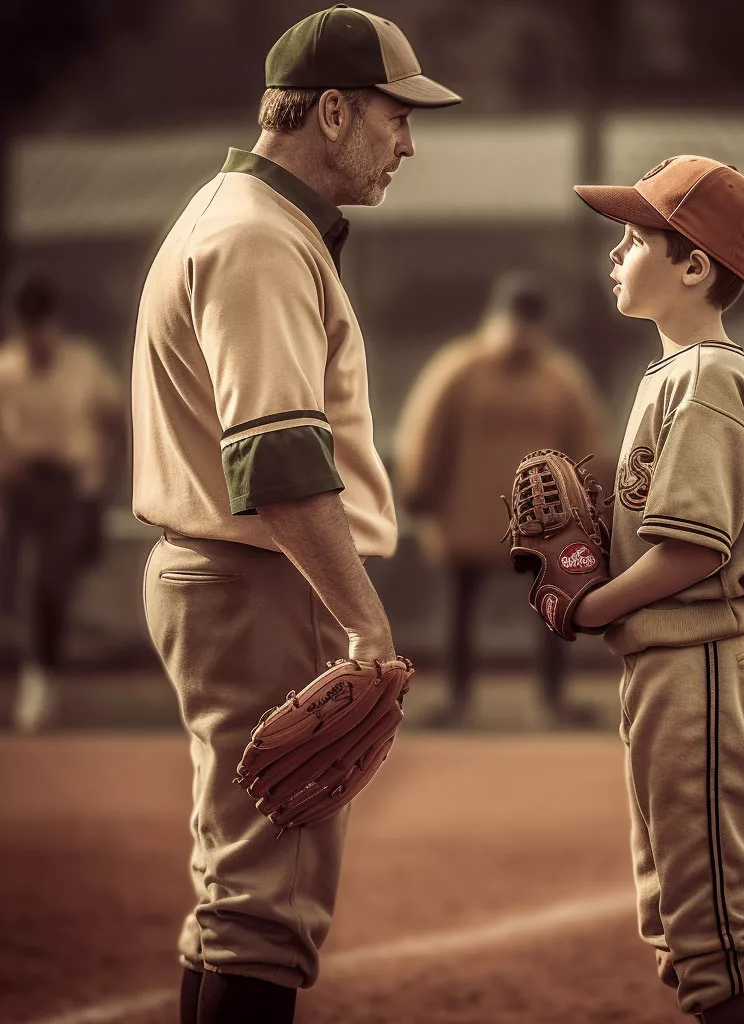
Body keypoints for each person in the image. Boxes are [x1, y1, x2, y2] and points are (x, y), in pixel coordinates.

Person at [130, 8, 459, 1022]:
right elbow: (277, 461)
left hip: (240, 578)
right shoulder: (258, 239)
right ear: (329, 111)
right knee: (266, 909)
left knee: (238, 895)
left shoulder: (239, 219)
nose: (408, 141)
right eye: (394, 114)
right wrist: (365, 625)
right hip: (262, 582)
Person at [571, 156, 744, 1023]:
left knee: (716, 934)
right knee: (679, 921)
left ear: (693, 267)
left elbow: (695, 551)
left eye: (634, 238)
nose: (615, 254)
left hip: (702, 660)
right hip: (668, 669)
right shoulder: (673, 374)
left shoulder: (709, 377)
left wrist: (594, 604)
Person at [394, 271, 612, 727]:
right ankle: (456, 698)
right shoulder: (460, 370)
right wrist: (419, 488)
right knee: (460, 609)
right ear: (496, 319)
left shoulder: (559, 378)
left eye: (530, 322)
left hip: (541, 524)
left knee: (554, 609)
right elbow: (426, 434)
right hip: (469, 518)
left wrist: (593, 507)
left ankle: (553, 698)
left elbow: (587, 440)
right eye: (515, 320)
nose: (521, 332)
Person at [0, 273, 124, 732]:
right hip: (20, 488)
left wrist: (102, 483)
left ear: (54, 323)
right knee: (20, 584)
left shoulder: (82, 364)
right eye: (26, 324)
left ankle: (40, 674)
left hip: (72, 488)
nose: (35, 334)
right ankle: (38, 670)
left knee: (49, 582)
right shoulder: (6, 370)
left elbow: (115, 420)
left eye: (42, 322)